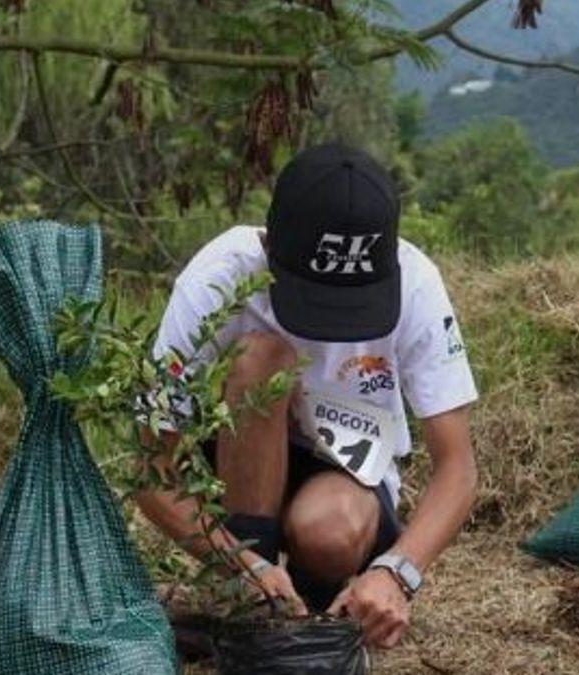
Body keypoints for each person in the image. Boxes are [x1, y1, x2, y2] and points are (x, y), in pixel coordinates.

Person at [136, 142, 478, 650]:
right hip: (239, 458)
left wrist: (397, 571)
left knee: (329, 533)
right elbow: (151, 465)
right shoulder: (220, 275)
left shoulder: (417, 283)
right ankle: (257, 602)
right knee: (262, 358)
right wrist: (240, 563)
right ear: (270, 244)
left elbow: (458, 468)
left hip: (347, 477)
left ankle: (311, 604)